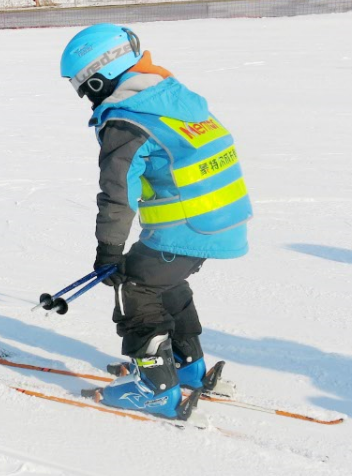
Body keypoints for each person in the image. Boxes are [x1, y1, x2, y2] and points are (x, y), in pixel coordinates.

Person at [59, 24, 251, 419]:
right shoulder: (170, 97)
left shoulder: (127, 121)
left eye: (82, 86)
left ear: (98, 78)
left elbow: (117, 193)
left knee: (135, 286)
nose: (83, 96)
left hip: (190, 226)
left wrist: (108, 251)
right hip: (221, 221)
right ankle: (187, 366)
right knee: (162, 279)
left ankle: (155, 389)